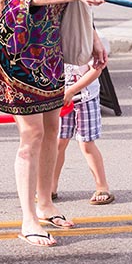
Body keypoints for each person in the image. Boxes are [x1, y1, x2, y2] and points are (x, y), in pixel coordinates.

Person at [0, 0, 106, 247]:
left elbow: (74, 1)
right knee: (32, 135)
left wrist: (94, 37)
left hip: (50, 52)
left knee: (53, 129)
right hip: (21, 50)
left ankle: (44, 204)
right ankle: (28, 218)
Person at [51, 60, 114, 206]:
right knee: (58, 143)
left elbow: (96, 70)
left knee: (86, 143)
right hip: (59, 99)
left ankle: (102, 186)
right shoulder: (52, 39)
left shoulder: (87, 40)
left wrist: (72, 90)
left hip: (85, 97)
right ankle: (51, 186)